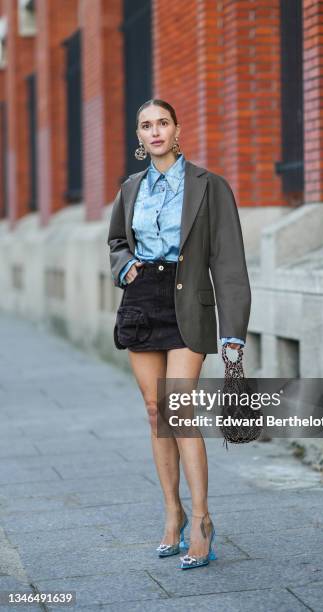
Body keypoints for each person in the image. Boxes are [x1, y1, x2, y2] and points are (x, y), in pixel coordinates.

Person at [107, 98, 251, 569]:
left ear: (177, 129)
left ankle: (204, 519)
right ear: (139, 136)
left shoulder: (209, 186)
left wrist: (233, 331)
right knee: (155, 412)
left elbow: (228, 262)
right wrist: (125, 265)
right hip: (141, 300)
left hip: (188, 303)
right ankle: (174, 513)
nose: (154, 132)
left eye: (162, 123)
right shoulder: (130, 188)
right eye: (145, 125)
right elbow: (116, 242)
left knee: (178, 409)